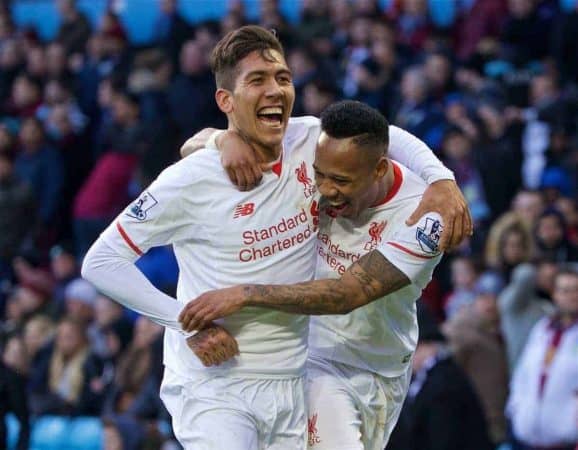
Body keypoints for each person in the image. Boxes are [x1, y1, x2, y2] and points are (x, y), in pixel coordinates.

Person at [83, 26, 470, 449]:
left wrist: (440, 178)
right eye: (258, 80)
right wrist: (182, 323)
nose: (275, 89)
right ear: (226, 101)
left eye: (283, 79)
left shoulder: (317, 147)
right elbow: (101, 262)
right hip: (221, 384)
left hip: (303, 380)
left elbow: (382, 135)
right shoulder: (195, 178)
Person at [178, 100, 446, 449]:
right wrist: (224, 142)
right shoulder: (309, 146)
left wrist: (245, 294)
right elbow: (192, 146)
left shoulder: (424, 218)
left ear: (379, 170)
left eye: (341, 180)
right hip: (308, 359)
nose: (325, 189)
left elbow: (346, 294)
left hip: (376, 367)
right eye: (320, 174)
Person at [507, 266, 578, 450]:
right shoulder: (542, 329)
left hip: (566, 440)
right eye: (565, 290)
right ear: (555, 294)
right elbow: (522, 374)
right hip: (528, 437)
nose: (571, 296)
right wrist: (516, 409)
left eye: (575, 290)